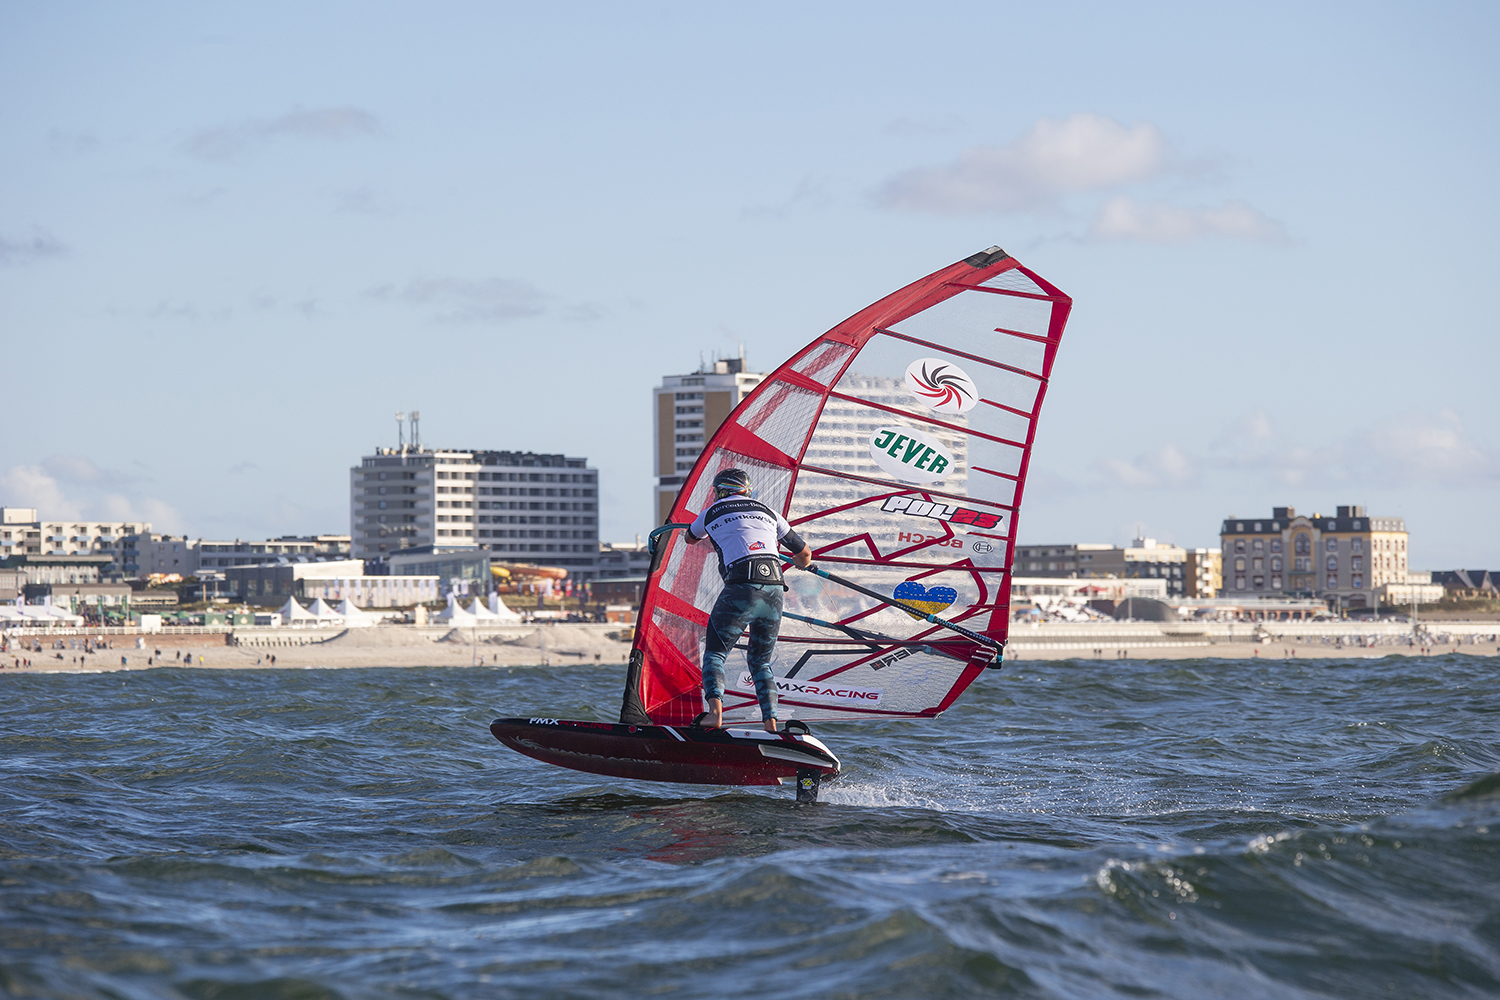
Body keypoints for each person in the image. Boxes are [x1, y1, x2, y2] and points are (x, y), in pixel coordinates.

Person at [686, 468, 812, 732]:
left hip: (741, 588)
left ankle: (715, 715)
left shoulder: (711, 512)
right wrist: (800, 564)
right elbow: (804, 554)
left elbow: (690, 538)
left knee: (716, 654)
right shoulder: (768, 512)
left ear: (718, 492)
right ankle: (771, 723)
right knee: (760, 661)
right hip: (775, 590)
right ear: (748, 490)